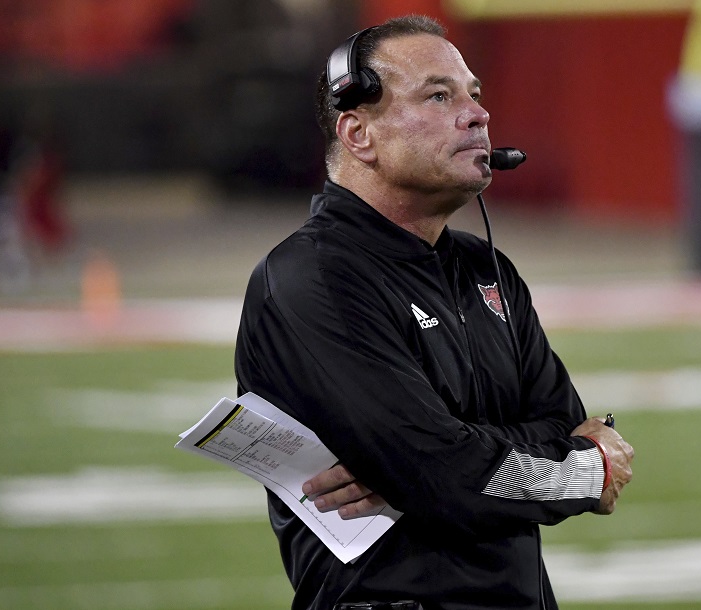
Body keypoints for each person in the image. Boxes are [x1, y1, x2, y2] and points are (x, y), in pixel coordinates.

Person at [234, 15, 634, 610]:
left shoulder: (485, 268)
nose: (477, 115)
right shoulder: (310, 278)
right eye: (439, 95)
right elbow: (442, 473)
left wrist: (438, 465)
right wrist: (584, 472)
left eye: (474, 95)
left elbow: (553, 425)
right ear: (358, 134)